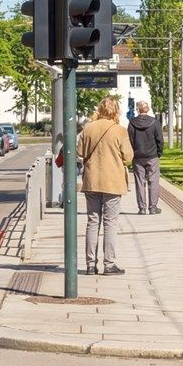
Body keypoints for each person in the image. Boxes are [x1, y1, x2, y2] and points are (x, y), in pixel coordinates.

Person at [76, 96, 134, 276]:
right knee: (110, 223)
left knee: (92, 222)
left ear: (99, 109)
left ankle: (90, 265)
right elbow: (128, 157)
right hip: (113, 182)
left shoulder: (88, 128)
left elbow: (80, 152)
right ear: (116, 111)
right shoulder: (120, 131)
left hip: (92, 180)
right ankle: (109, 264)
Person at [127, 100, 162, 215]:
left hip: (137, 157)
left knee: (139, 182)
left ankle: (142, 208)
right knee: (154, 181)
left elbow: (130, 140)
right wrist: (159, 153)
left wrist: (133, 153)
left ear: (138, 109)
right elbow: (159, 140)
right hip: (152, 156)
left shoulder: (132, 123)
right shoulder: (155, 122)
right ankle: (153, 207)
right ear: (149, 109)